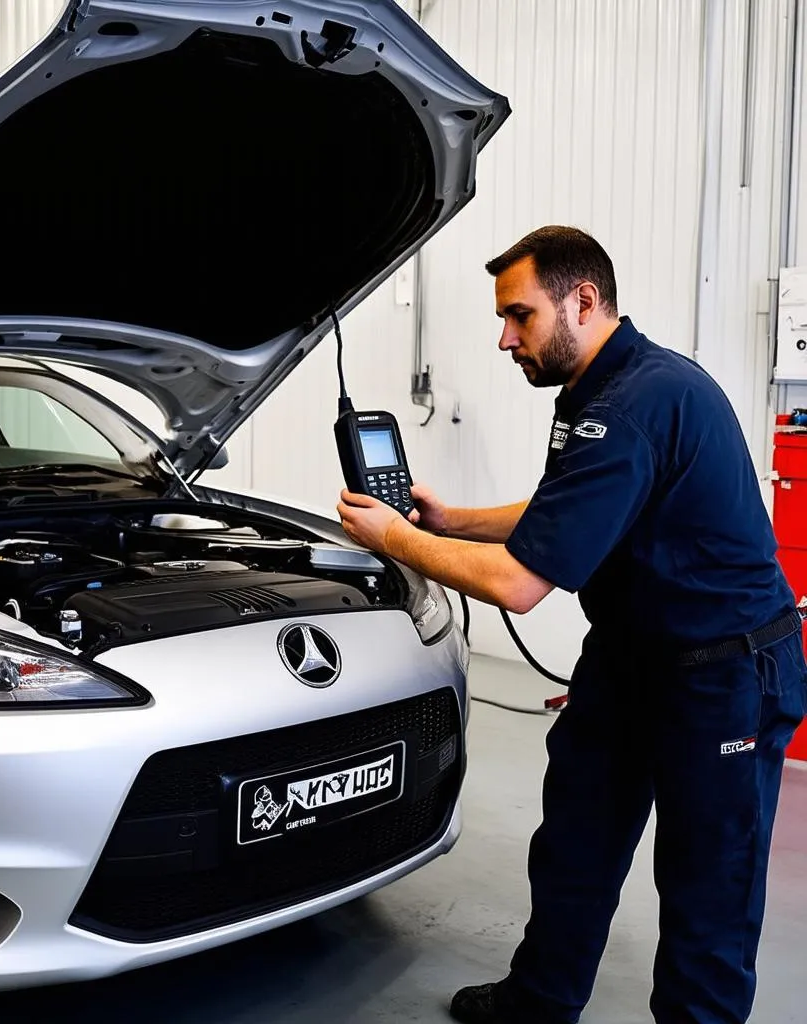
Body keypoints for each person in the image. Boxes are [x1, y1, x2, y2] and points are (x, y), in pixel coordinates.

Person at [336, 225, 807, 1024]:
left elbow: (521, 586)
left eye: (519, 316)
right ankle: (540, 1000)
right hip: (630, 661)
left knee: (709, 886)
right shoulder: (599, 394)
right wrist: (453, 520)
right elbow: (569, 515)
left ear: (582, 300)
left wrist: (398, 540)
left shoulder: (638, 403)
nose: (504, 338)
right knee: (575, 844)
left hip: (724, 675)